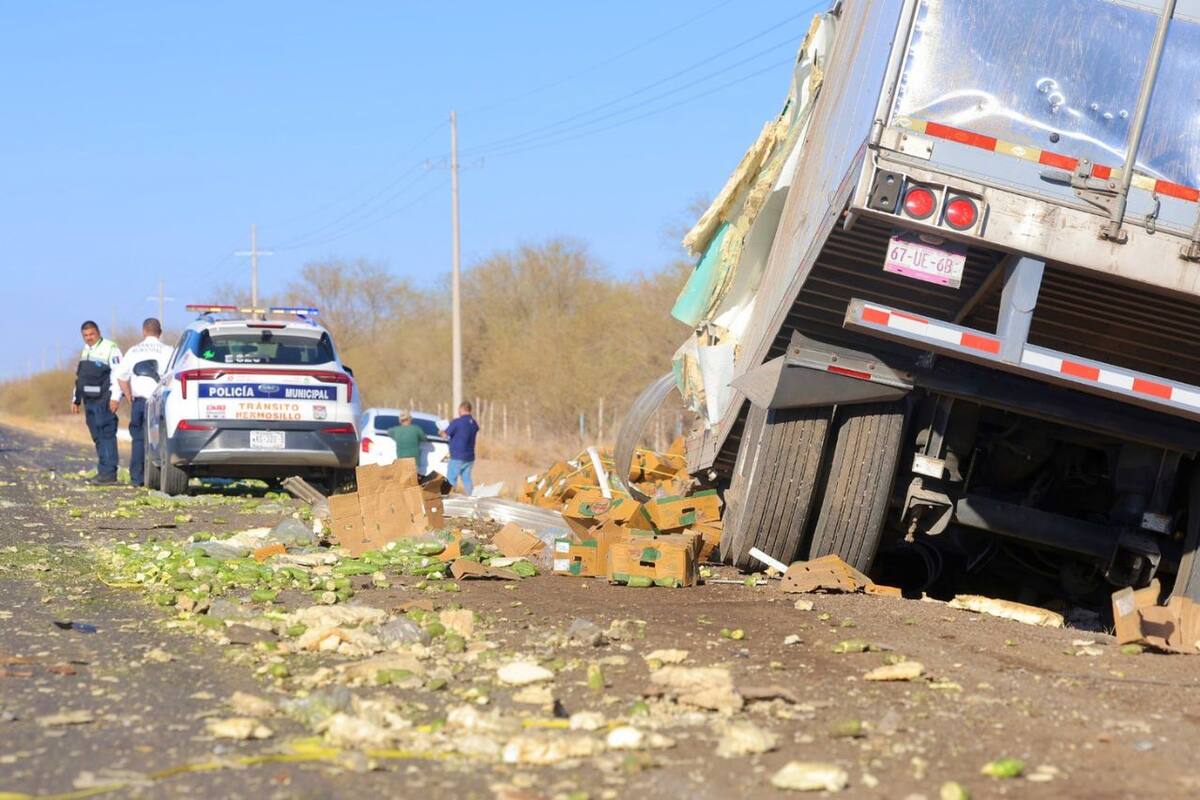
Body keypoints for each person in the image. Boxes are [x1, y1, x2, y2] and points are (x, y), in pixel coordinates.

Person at [114, 318, 174, 487]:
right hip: (161, 402)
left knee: (139, 440)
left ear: (144, 331)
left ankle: (137, 478)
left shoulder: (134, 351)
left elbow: (121, 376)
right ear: (160, 332)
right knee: (160, 439)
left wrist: (128, 395)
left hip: (140, 402)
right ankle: (158, 478)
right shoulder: (169, 351)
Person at [71, 321, 123, 485]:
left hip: (104, 400)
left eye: (91, 334)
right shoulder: (86, 350)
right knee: (97, 436)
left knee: (106, 434)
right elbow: (81, 377)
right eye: (85, 336)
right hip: (89, 401)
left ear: (98, 332)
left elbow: (118, 374)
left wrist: (115, 397)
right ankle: (103, 471)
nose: (89, 338)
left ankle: (109, 473)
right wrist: (76, 399)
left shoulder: (111, 348)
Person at [443, 401, 479, 495]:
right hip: (470, 456)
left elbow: (445, 434)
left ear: (461, 409)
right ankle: (470, 497)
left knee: (451, 478)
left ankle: (449, 497)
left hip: (457, 455)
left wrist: (441, 431)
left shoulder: (457, 422)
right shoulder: (474, 423)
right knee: (466, 478)